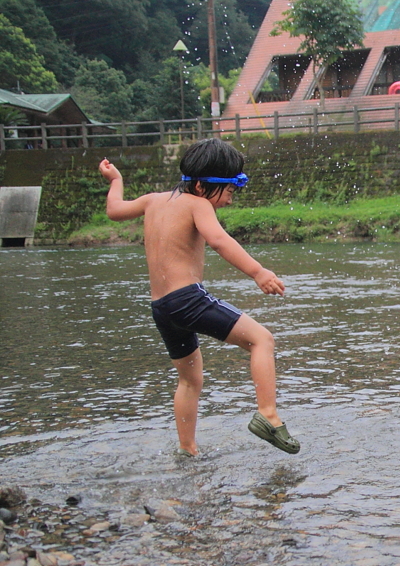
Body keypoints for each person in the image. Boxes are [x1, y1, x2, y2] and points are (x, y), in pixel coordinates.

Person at [99, 139, 300, 457]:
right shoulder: (198, 204)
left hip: (162, 308)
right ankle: (268, 414)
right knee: (262, 340)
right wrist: (258, 272)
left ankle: (188, 449)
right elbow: (220, 241)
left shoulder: (152, 200)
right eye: (229, 192)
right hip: (187, 299)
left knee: (190, 380)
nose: (230, 202)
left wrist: (116, 181)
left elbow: (114, 210)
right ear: (200, 186)